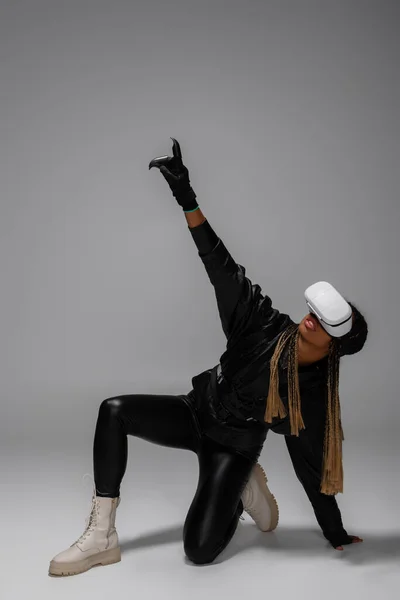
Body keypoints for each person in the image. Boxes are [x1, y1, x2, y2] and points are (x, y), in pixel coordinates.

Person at [48, 138, 368, 577]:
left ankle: (243, 489)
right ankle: (102, 535)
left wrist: (334, 531)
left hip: (234, 448)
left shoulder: (308, 395)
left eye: (321, 323)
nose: (309, 318)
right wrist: (186, 197)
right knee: (114, 410)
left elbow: (311, 467)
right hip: (195, 411)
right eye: (311, 312)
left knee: (198, 552)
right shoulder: (263, 322)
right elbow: (221, 267)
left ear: (333, 348)